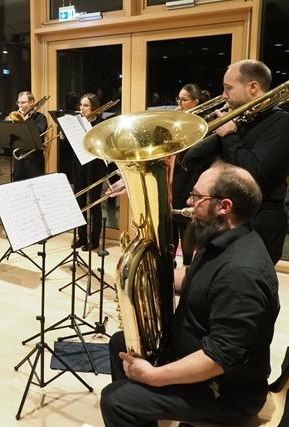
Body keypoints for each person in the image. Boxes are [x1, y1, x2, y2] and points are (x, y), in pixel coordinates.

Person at [100, 162, 280, 427]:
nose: (188, 200)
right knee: (120, 343)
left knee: (116, 400)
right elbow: (201, 283)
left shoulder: (242, 273)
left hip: (223, 392)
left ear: (224, 206)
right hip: (193, 355)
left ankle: (138, 405)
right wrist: (139, 282)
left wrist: (154, 376)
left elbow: (219, 358)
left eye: (197, 196)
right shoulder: (221, 240)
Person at [185, 59, 289, 264]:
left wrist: (229, 136)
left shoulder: (282, 123)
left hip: (260, 225)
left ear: (253, 87)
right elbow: (191, 158)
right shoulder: (240, 120)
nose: (223, 95)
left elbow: (254, 175)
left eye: (228, 88)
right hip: (225, 218)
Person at [170, 83, 210, 266]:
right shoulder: (179, 120)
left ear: (196, 102)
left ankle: (187, 265)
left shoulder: (201, 124)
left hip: (188, 178)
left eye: (184, 100)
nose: (180, 103)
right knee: (170, 223)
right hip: (174, 176)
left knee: (184, 225)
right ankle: (169, 264)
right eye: (178, 98)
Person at [73, 93, 107, 251]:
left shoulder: (101, 124)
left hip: (96, 165)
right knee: (79, 201)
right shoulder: (77, 123)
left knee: (94, 203)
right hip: (80, 164)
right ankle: (81, 237)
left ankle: (94, 240)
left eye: (86, 105)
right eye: (81, 105)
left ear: (94, 107)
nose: (82, 108)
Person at [12, 91, 47, 181]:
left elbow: (38, 133)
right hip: (18, 159)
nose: (20, 105)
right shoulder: (16, 119)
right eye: (18, 102)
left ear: (31, 102)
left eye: (23, 102)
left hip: (34, 161)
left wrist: (26, 121)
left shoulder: (40, 118)